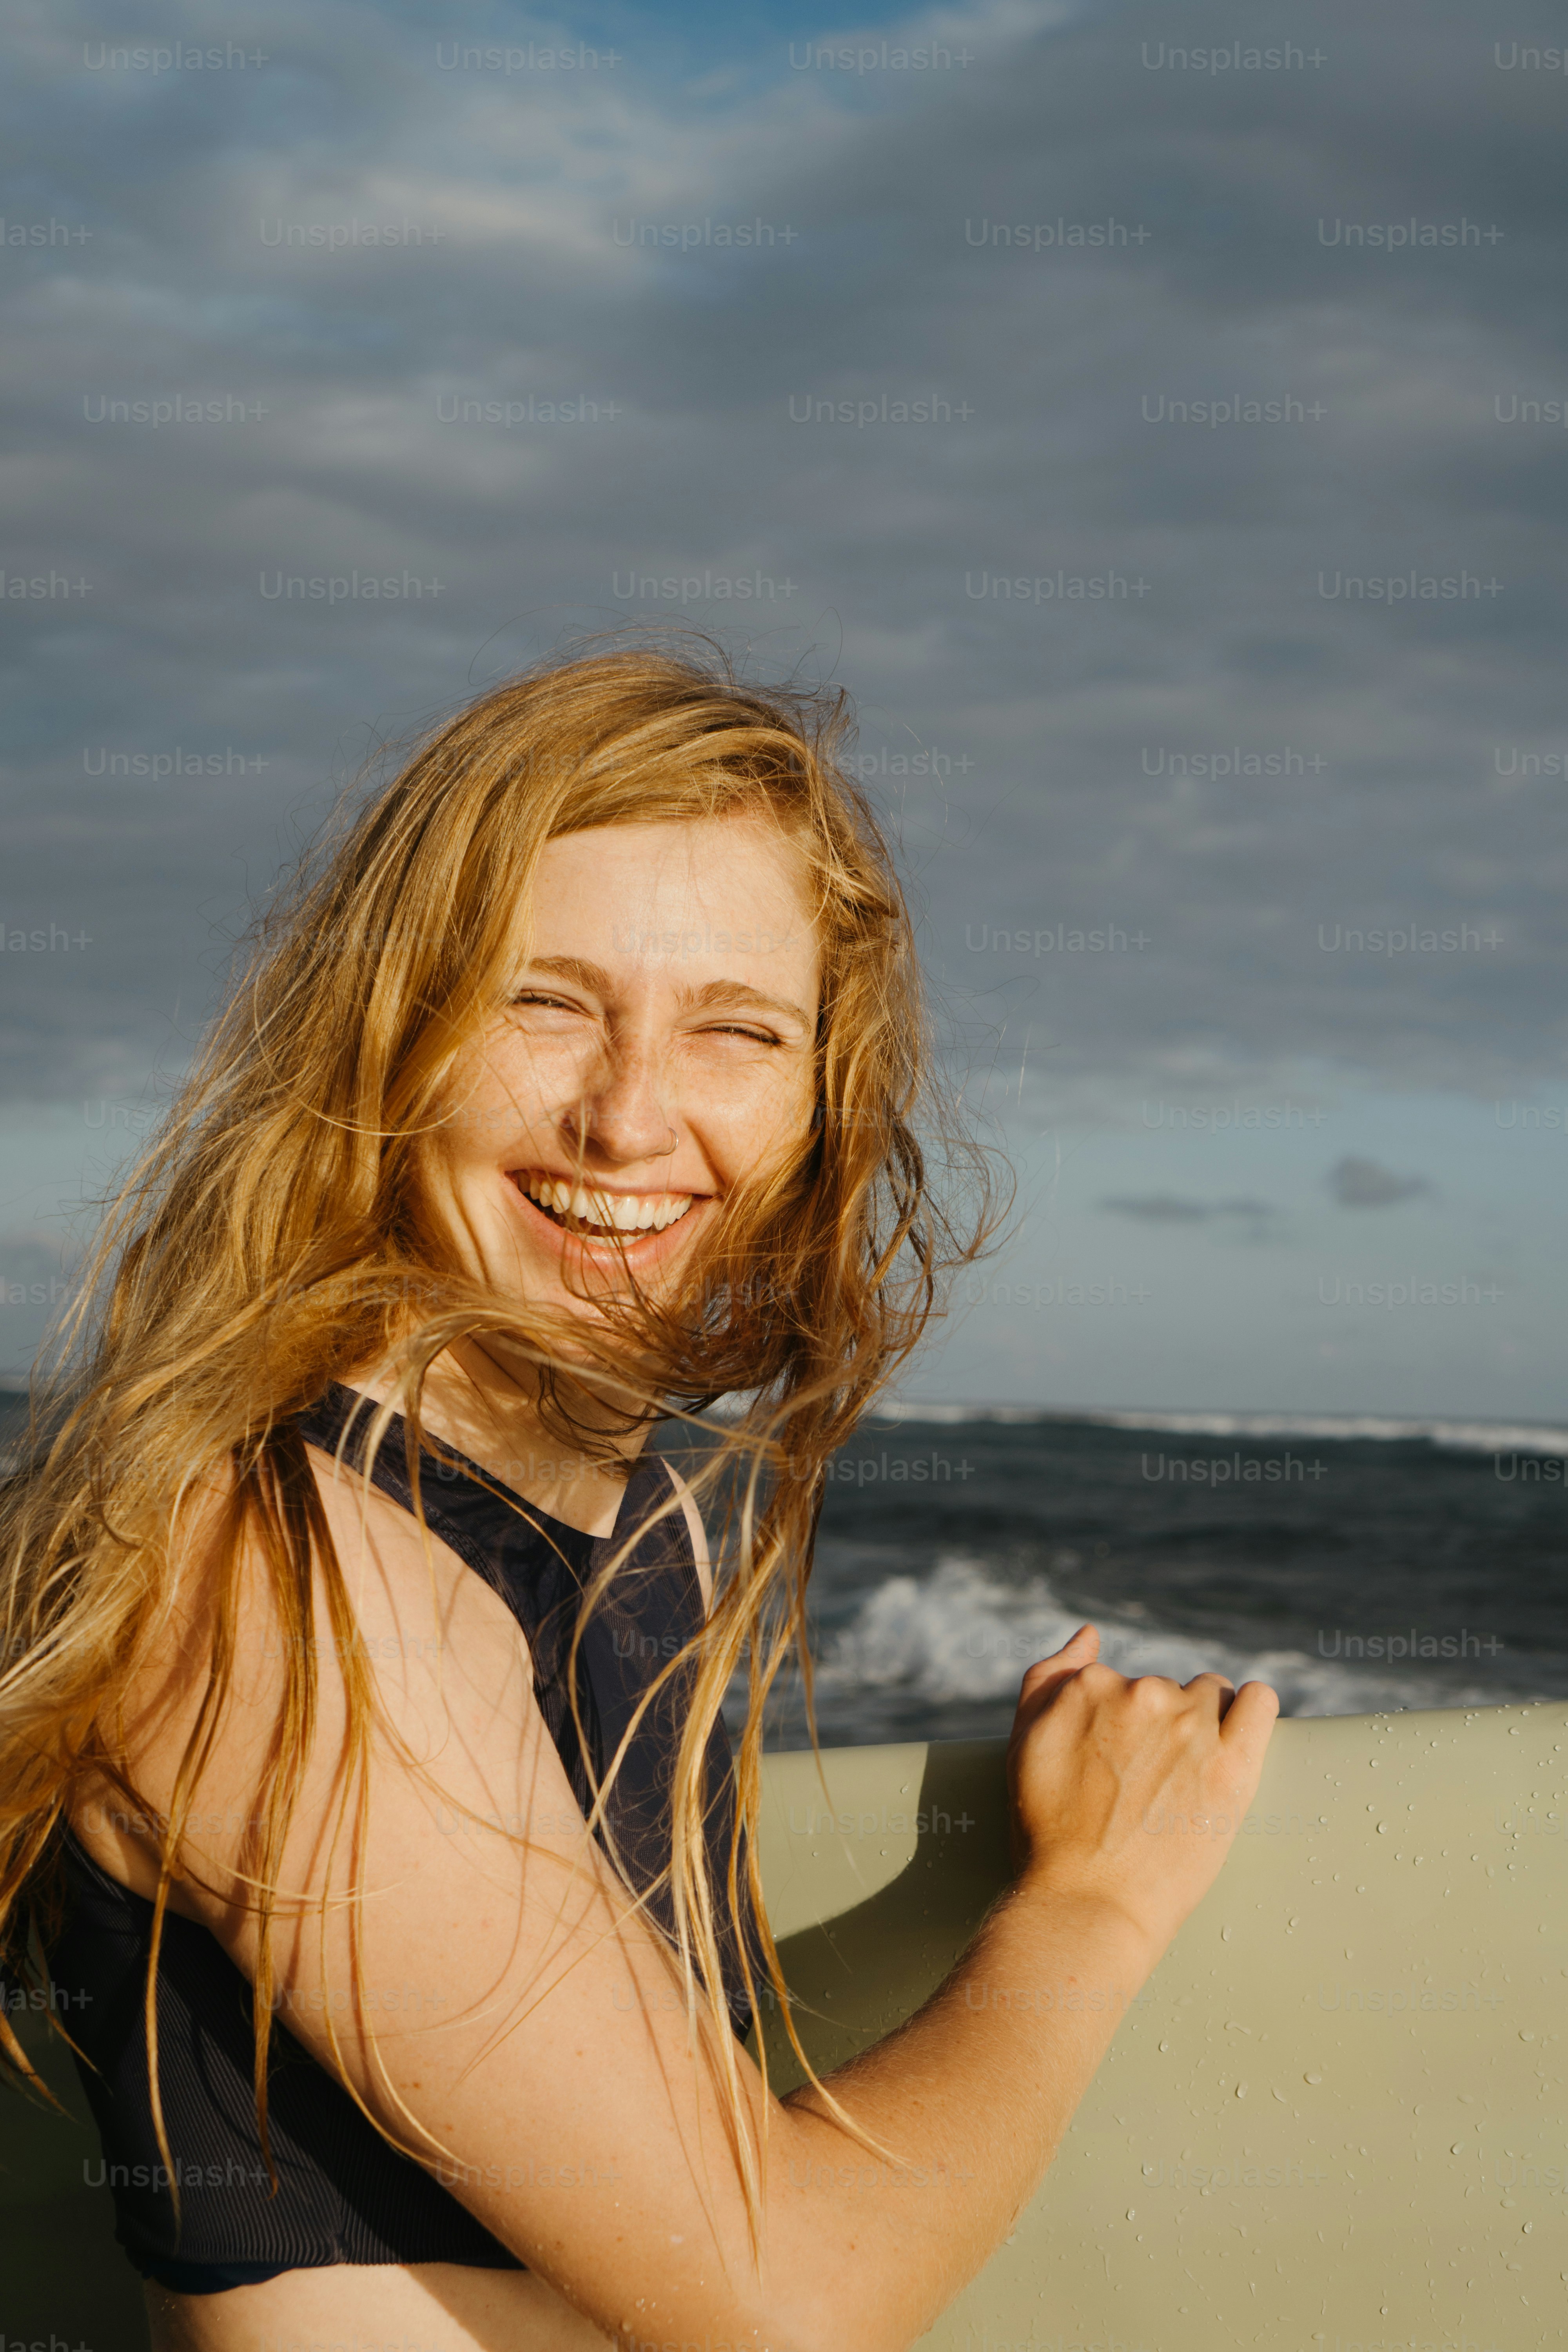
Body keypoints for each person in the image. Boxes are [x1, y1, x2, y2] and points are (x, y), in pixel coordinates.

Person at [0, 643, 1278, 2352]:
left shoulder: (649, 1527)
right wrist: (1094, 1905)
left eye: (733, 1030)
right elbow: (780, 2300)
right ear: (389, 1029)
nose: (625, 1118)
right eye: (542, 1001)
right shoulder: (265, 1567)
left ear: (823, 1108)